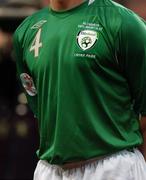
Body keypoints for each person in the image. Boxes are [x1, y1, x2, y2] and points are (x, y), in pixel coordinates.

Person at [13, 0, 146, 179]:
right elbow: (42, 113)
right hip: (49, 169)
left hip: (113, 167)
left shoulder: (124, 23)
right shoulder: (25, 32)